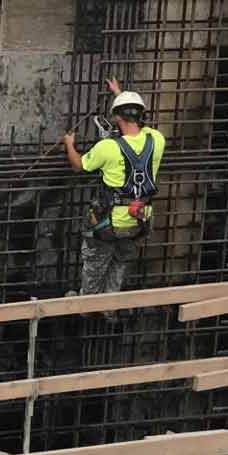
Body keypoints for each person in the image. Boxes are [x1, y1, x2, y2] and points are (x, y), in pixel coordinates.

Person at [63, 79, 164, 296]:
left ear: (117, 117)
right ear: (141, 114)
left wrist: (69, 144)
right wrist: (120, 95)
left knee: (95, 264)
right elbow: (140, 129)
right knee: (119, 263)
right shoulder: (157, 140)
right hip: (140, 220)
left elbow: (78, 165)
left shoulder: (107, 148)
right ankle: (110, 305)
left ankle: (86, 305)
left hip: (108, 223)